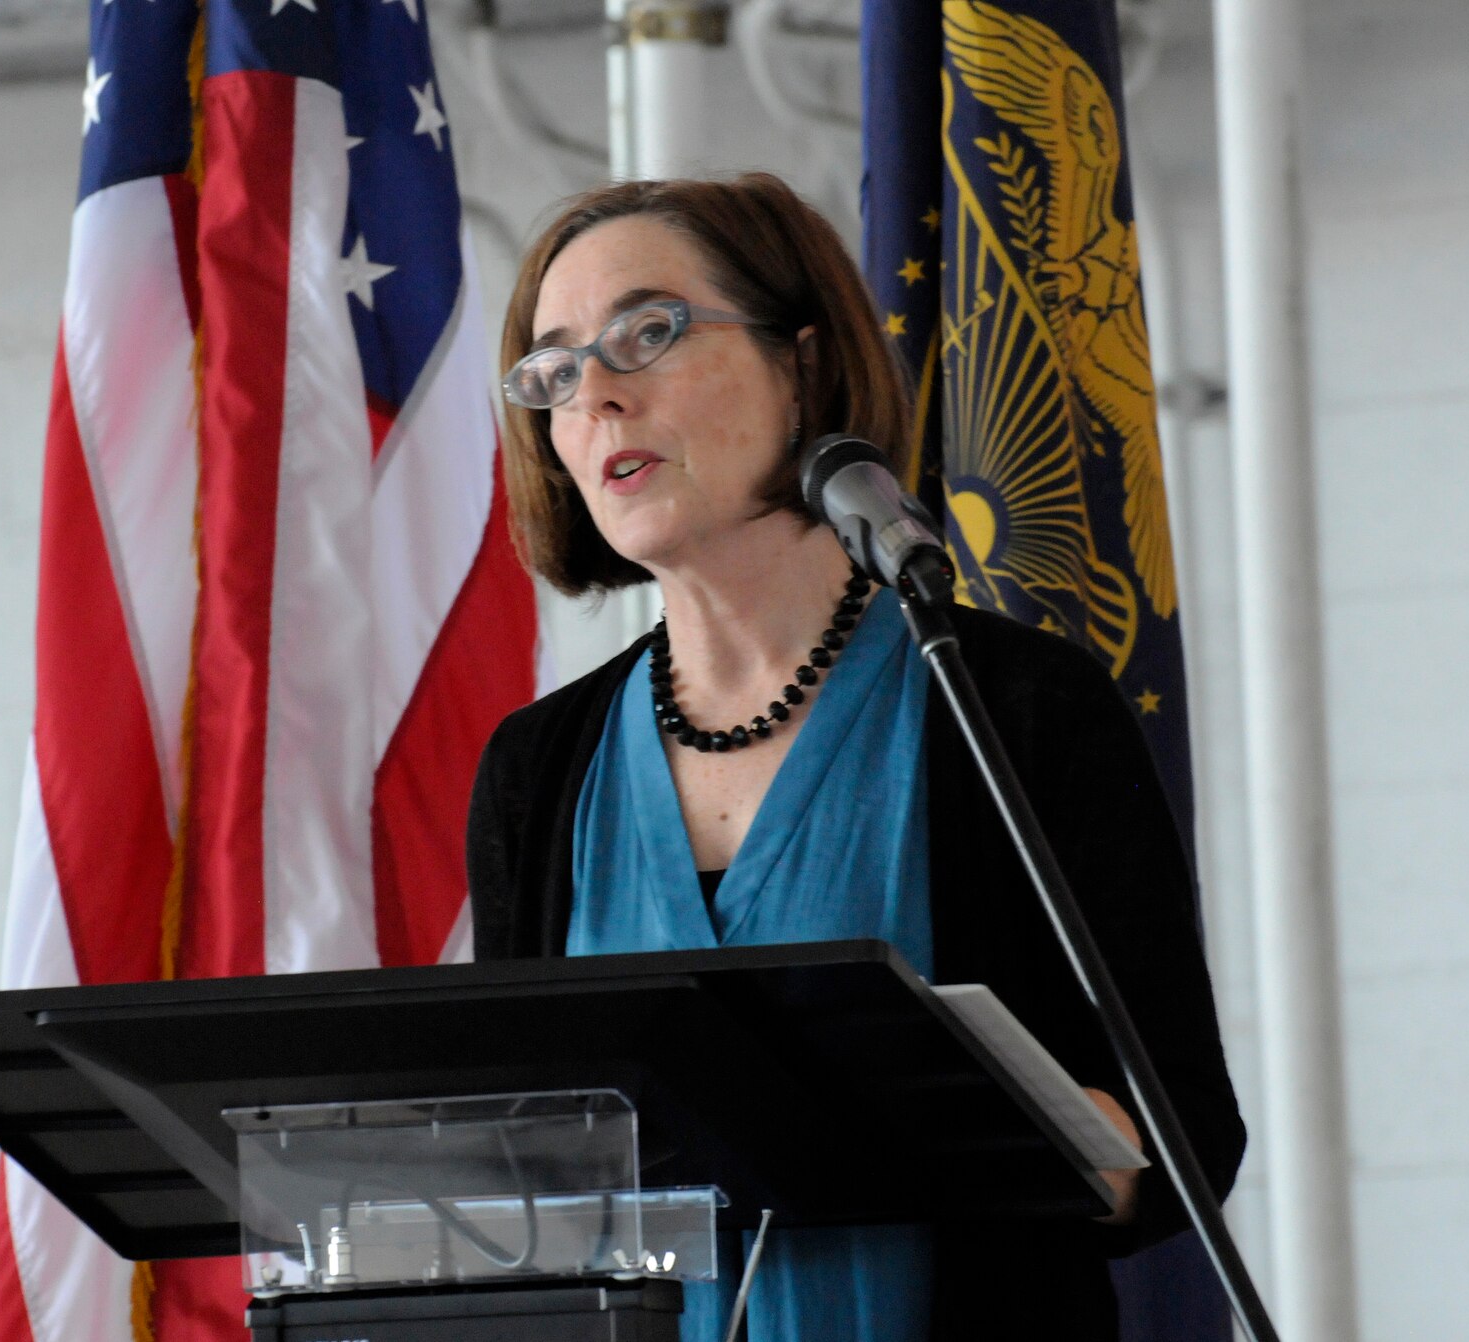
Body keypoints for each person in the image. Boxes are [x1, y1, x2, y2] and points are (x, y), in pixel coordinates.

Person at [464, 173, 1243, 1342]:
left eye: (646, 332)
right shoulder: (537, 768)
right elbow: (521, 1152)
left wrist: (914, 1114)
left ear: (805, 363)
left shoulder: (1012, 706)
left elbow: (1173, 1139)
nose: (599, 398)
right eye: (557, 370)